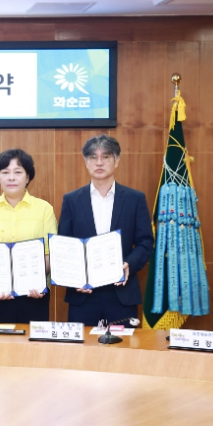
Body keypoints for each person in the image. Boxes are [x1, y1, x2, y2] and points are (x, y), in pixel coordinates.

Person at [58, 135, 153, 326]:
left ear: (116, 161)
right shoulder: (72, 200)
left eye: (106, 157)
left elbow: (146, 242)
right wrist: (75, 278)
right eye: (93, 157)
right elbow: (64, 245)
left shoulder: (135, 199)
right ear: (86, 162)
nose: (99, 162)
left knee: (124, 346)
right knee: (83, 346)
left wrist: (129, 264)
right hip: (83, 295)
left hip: (121, 294)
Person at [0, 149, 57, 323]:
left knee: (34, 340)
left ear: (28, 177)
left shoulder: (44, 209)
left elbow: (50, 253)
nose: (11, 178)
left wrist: (35, 281)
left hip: (35, 294)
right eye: (5, 172)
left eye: (18, 172)